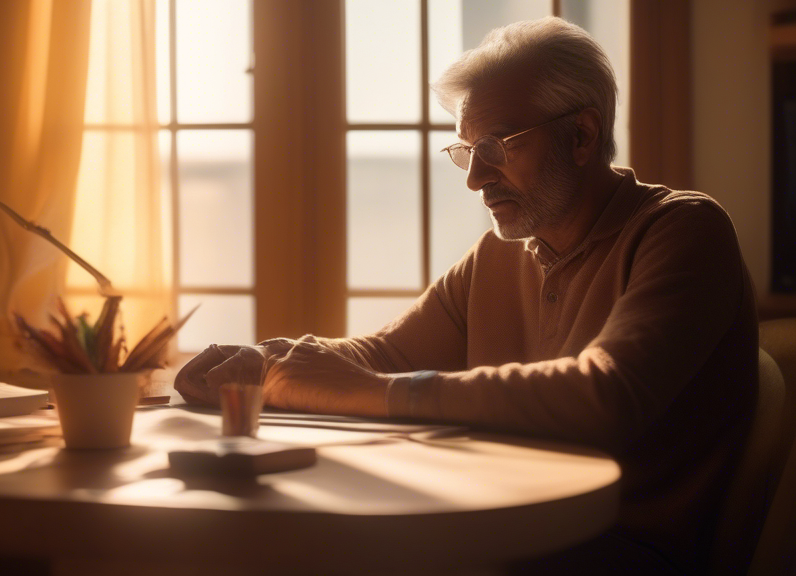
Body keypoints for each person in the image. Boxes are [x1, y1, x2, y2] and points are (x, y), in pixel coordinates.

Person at [175, 17, 758, 575]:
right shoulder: (498, 257)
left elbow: (604, 396)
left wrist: (372, 393)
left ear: (581, 135)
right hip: (505, 529)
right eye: (467, 150)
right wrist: (267, 359)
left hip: (617, 550)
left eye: (499, 146)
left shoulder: (683, 229)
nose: (476, 177)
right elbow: (385, 354)